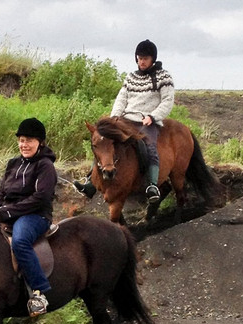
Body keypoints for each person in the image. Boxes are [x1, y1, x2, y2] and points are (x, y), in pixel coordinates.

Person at [74, 39, 174, 204]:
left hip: (147, 121)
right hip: (126, 119)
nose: (141, 61)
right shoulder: (131, 77)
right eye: (139, 58)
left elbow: (167, 102)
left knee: (149, 146)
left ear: (152, 59)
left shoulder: (164, 77)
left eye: (145, 58)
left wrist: (153, 117)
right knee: (103, 140)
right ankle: (91, 183)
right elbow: (121, 99)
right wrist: (114, 117)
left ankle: (152, 185)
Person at [0, 118, 57, 317]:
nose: (24, 145)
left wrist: (9, 212)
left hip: (35, 216)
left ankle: (38, 293)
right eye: (21, 140)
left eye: (28, 140)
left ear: (40, 142)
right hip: (10, 214)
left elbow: (40, 198)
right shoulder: (13, 164)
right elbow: (2, 193)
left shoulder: (45, 166)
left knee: (19, 241)